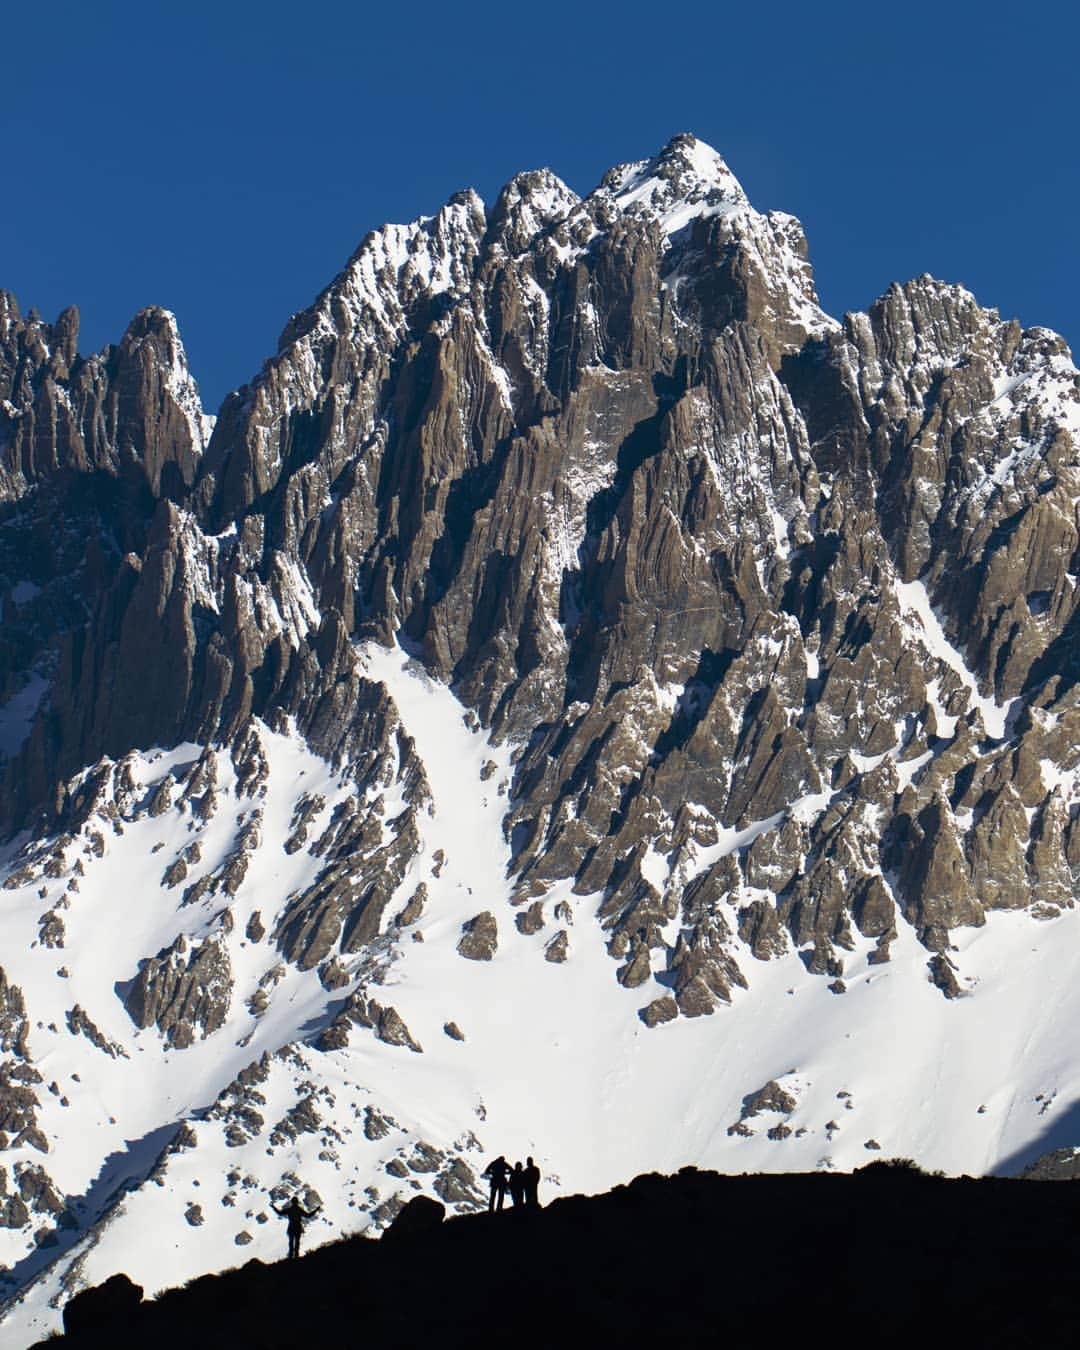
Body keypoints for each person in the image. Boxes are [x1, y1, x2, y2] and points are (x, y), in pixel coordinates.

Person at [272, 1194, 320, 1259]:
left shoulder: (289, 1210)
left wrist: (274, 1207)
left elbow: (280, 1213)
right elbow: (308, 1215)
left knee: (291, 1243)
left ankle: (290, 1257)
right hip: (297, 1227)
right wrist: (316, 1210)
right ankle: (296, 1257)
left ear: (292, 1202)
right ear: (297, 1202)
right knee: (297, 1243)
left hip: (291, 1227)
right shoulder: (299, 1209)